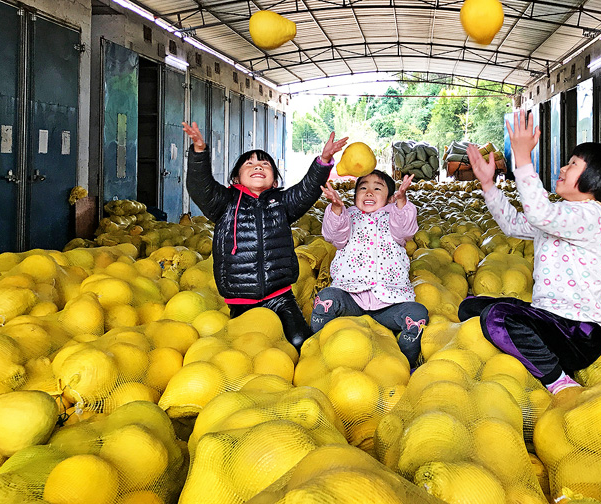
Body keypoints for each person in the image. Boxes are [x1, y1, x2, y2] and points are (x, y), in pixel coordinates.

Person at [459, 112, 601, 393]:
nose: (563, 168)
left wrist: (523, 159)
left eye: (573, 165)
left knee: (497, 317)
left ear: (595, 181)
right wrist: (488, 184)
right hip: (551, 320)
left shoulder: (591, 216)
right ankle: (530, 350)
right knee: (472, 307)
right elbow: (513, 225)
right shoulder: (560, 216)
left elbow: (539, 214)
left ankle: (557, 380)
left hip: (578, 333)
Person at [183, 121, 347, 352]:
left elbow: (308, 189)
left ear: (276, 181)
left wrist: (323, 161)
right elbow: (200, 186)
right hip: (242, 301)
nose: (257, 166)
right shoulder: (224, 203)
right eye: (249, 163)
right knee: (251, 350)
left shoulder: (282, 204)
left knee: (300, 342)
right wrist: (199, 152)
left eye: (264, 164)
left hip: (281, 296)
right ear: (236, 180)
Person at [310, 169, 428, 366]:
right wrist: (337, 208)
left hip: (390, 302)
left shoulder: (394, 219)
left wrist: (402, 201)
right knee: (326, 298)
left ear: (390, 198)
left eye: (377, 188)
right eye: (363, 188)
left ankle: (405, 363)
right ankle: (317, 348)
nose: (369, 192)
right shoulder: (348, 217)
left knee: (417, 314)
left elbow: (406, 229)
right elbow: (334, 236)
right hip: (351, 297)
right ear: (355, 196)